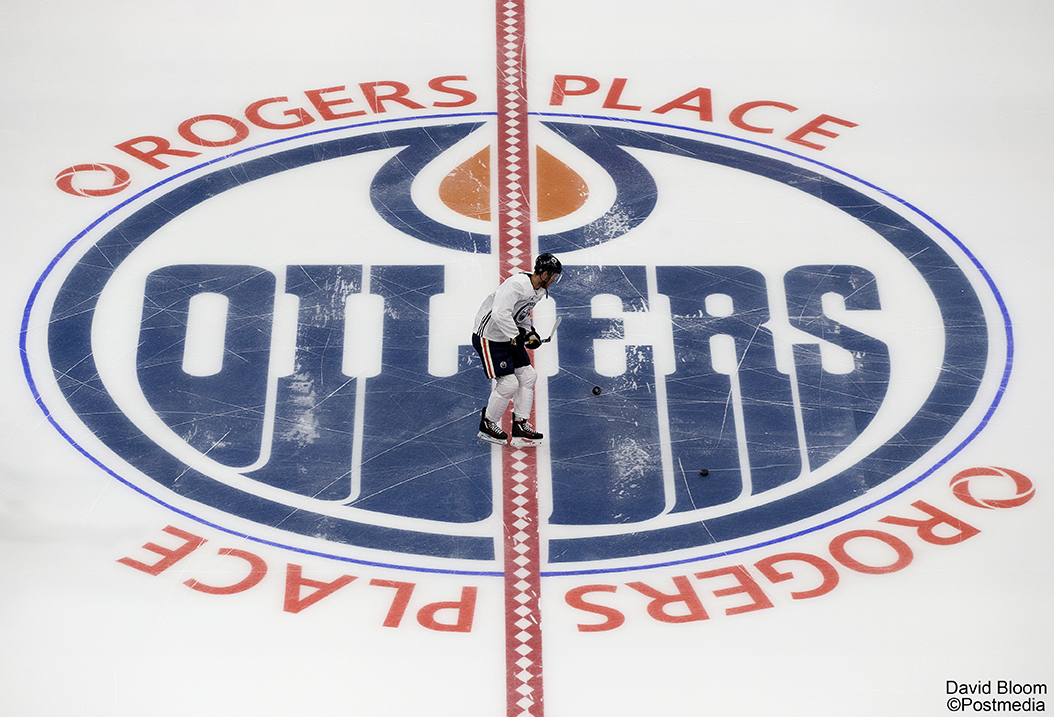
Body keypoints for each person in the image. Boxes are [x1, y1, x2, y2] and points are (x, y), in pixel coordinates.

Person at [471, 253, 562, 446]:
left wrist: (530, 333)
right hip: (489, 336)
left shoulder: (537, 292)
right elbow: (499, 313)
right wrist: (516, 335)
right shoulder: (518, 285)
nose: (554, 279)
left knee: (528, 376)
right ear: (544, 273)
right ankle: (488, 424)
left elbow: (520, 315)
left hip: (507, 336)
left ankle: (520, 424)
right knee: (508, 383)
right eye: (553, 275)